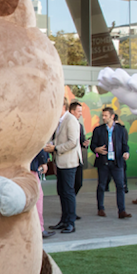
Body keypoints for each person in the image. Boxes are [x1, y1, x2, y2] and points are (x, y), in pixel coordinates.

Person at [48, 100, 83, 233]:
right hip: (60, 162)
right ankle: (64, 220)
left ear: (63, 106)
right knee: (62, 192)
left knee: (68, 192)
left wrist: (55, 148)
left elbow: (73, 142)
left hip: (69, 162)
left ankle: (70, 222)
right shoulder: (60, 120)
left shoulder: (71, 120)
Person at [90, 105, 131, 218]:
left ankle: (122, 211)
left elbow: (124, 145)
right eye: (102, 115)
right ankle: (100, 208)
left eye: (106, 116)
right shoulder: (98, 130)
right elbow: (93, 145)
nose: (103, 117)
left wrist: (126, 153)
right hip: (103, 162)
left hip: (117, 162)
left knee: (120, 186)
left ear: (112, 116)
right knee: (102, 185)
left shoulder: (121, 130)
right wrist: (96, 149)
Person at [30, 147, 53, 238]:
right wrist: (43, 161)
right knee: (37, 198)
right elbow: (37, 144)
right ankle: (39, 229)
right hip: (30, 167)